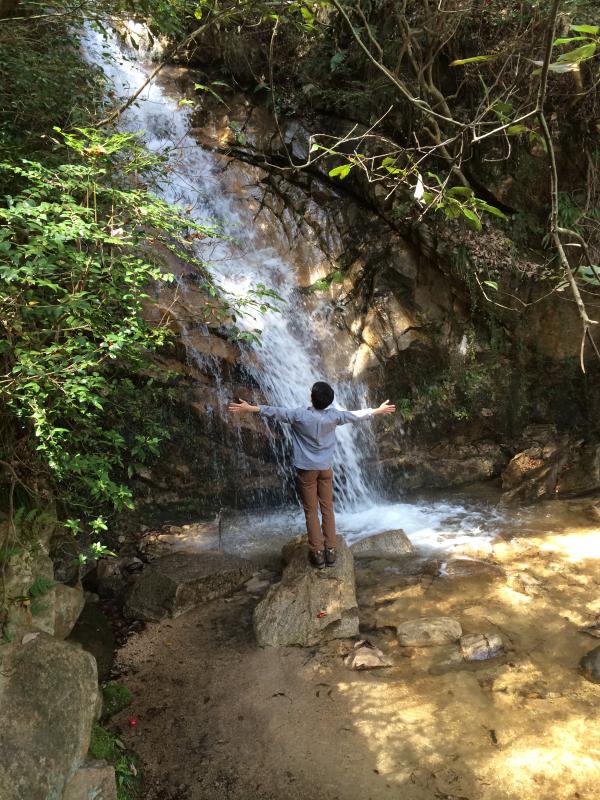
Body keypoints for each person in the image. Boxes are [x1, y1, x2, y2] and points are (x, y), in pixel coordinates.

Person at [228, 381, 395, 569]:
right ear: (329, 401)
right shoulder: (334, 416)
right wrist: (378, 410)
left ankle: (317, 552)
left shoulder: (299, 415)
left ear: (312, 398)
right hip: (325, 469)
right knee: (327, 508)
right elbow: (355, 415)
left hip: (307, 470)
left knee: (311, 511)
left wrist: (250, 408)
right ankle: (331, 550)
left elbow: (275, 412)